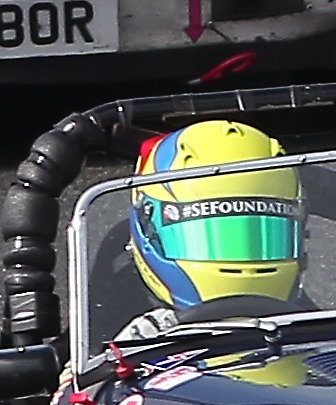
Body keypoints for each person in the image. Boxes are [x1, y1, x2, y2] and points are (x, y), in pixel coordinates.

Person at [124, 119, 303, 323]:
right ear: (148, 224)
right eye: (218, 237)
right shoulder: (110, 317)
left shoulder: (316, 330)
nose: (243, 265)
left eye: (259, 235)